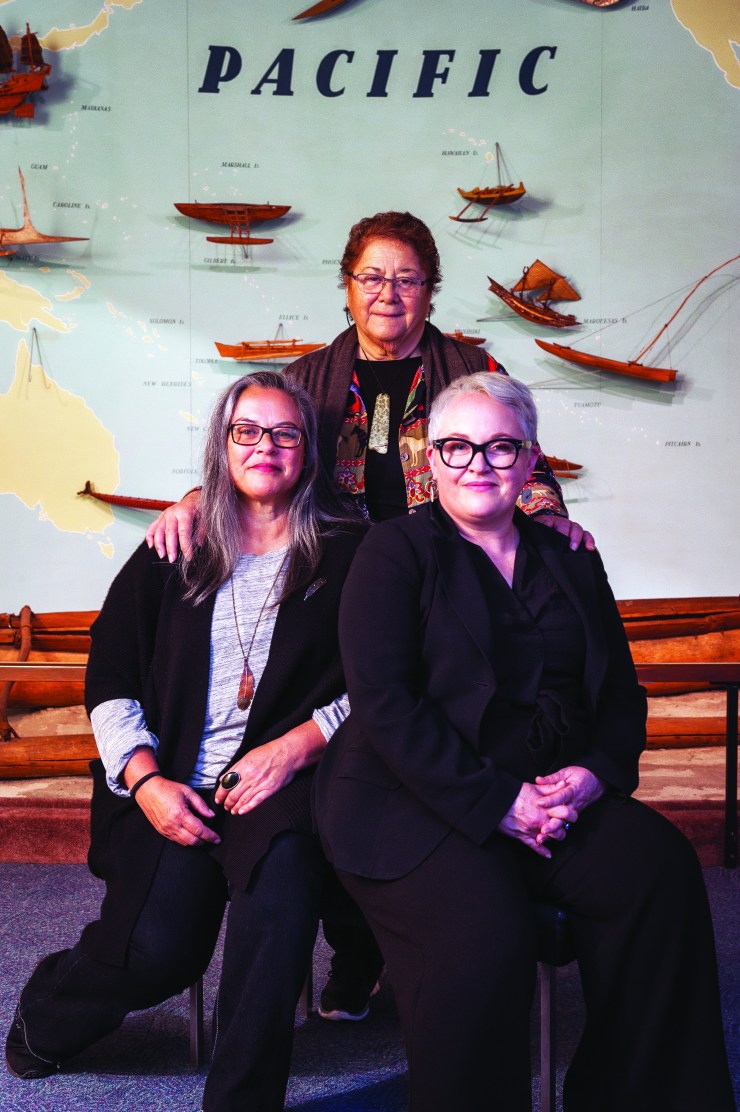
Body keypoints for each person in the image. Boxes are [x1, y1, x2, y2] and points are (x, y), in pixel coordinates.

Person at [146, 210, 594, 1023]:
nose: (390, 293)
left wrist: (547, 512)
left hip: (453, 585)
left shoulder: (469, 362)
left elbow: (512, 454)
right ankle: (358, 949)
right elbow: (256, 456)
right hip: (344, 586)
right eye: (373, 277)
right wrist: (192, 497)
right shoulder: (314, 376)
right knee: (349, 760)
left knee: (442, 746)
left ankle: (454, 933)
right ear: (348, 288)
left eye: (408, 278)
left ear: (430, 290)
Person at [313, 371, 735, 1112]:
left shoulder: (571, 555)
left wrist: (598, 773)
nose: (477, 464)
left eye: (501, 448)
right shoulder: (392, 553)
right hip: (413, 800)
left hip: (551, 794)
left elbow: (619, 694)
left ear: (531, 457)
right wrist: (497, 800)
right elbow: (385, 706)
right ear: (429, 457)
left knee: (657, 869)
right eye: (457, 447)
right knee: (487, 932)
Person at [6, 371, 365, 1112]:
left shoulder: (351, 554)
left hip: (278, 789)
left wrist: (300, 744)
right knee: (156, 955)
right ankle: (46, 1013)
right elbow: (109, 678)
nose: (265, 446)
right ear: (222, 445)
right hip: (172, 784)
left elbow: (386, 683)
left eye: (285, 432)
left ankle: (241, 1100)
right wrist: (145, 782)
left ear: (309, 449)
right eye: (247, 431)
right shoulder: (176, 547)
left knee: (283, 893)